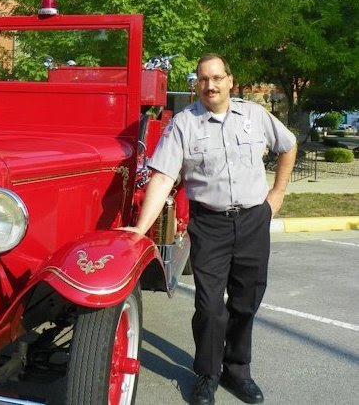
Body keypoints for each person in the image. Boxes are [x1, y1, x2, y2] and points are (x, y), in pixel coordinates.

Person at [123, 54, 297, 405]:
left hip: (252, 221)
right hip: (210, 224)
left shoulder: (254, 115)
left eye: (217, 78)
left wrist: (276, 194)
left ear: (230, 80)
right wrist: (141, 229)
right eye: (203, 79)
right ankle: (206, 374)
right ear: (197, 84)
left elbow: (288, 145)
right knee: (209, 306)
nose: (210, 85)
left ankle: (237, 370)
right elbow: (162, 178)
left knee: (246, 301)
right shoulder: (184, 124)